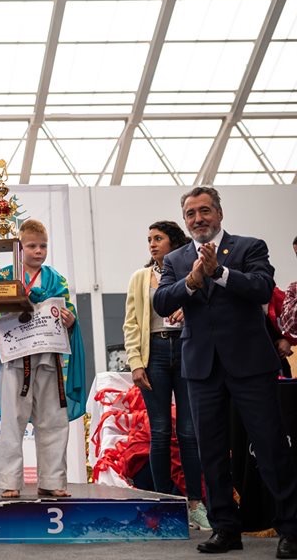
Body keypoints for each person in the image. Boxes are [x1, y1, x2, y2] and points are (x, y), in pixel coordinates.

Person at [153, 186, 297, 558]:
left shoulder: (249, 247)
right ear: (185, 219)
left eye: (205, 210)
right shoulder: (176, 259)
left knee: (270, 447)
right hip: (201, 369)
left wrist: (219, 272)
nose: (198, 218)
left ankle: (291, 529)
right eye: (191, 213)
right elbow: (162, 301)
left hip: (251, 366)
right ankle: (225, 529)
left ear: (219, 213)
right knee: (212, 452)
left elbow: (262, 287)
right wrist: (192, 281)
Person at [0, 219, 86, 498]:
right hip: (14, 358)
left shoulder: (56, 280)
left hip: (49, 357)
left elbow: (69, 312)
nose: (38, 251)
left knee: (53, 419)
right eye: (32, 246)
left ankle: (52, 480)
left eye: (43, 246)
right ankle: (10, 481)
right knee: (13, 420)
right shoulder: (4, 277)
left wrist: (71, 320)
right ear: (19, 248)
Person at [123, 221, 210, 530]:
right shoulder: (140, 277)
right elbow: (131, 323)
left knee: (188, 433)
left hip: (187, 349)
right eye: (149, 239)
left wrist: (188, 309)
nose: (152, 244)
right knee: (159, 432)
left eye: (158, 238)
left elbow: (208, 307)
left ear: (174, 242)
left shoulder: (194, 271)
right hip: (154, 353)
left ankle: (196, 504)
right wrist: (136, 363)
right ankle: (163, 505)